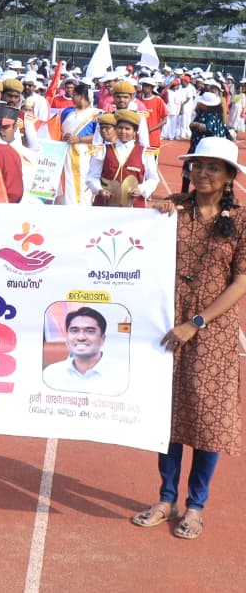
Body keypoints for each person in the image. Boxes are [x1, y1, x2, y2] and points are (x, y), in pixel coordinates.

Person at [133, 137, 246, 540]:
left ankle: (196, 506)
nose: (202, 173)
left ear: (230, 176)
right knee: (167, 415)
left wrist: (196, 322)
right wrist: (155, 212)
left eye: (213, 167)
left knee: (207, 418)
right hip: (166, 324)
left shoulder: (241, 221)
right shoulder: (174, 209)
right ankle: (166, 499)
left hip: (212, 332)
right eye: (198, 165)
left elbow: (241, 282)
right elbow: (135, 239)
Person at [41, 307, 126, 395]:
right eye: (74, 331)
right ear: (67, 338)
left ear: (102, 339)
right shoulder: (51, 373)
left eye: (90, 331)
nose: (81, 337)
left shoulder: (123, 374)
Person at [86, 110, 158, 207]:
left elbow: (153, 179)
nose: (123, 131)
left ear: (135, 132)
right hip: (105, 203)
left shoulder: (145, 152)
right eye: (120, 128)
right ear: (116, 129)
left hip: (133, 204)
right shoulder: (102, 150)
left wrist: (141, 189)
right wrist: (100, 190)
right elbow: (92, 177)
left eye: (127, 129)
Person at [58, 84, 101, 206]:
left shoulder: (96, 114)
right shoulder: (67, 112)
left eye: (74, 95)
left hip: (85, 154)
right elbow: (58, 129)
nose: (72, 97)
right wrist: (64, 137)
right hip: (66, 152)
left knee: (83, 180)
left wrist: (79, 139)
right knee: (67, 181)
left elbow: (99, 136)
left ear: (81, 96)